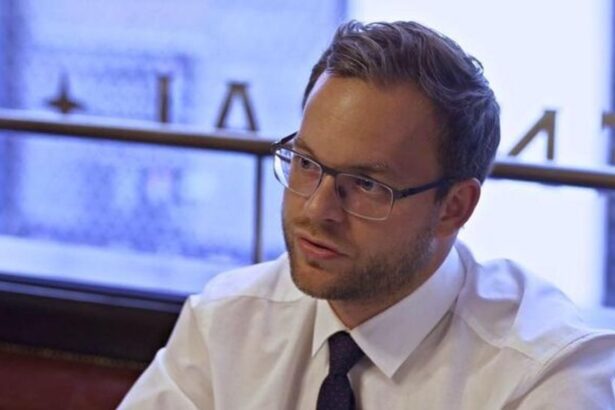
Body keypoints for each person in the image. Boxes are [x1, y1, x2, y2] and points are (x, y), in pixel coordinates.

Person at [119, 20, 615, 409]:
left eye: (366, 185)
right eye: (306, 163)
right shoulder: (226, 322)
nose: (317, 209)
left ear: (454, 208)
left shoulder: (544, 374)